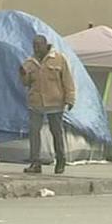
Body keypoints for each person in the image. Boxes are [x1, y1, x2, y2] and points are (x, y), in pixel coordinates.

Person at [19, 35, 76, 174]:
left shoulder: (58, 59)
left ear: (45, 45)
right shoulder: (29, 62)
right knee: (34, 132)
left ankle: (61, 160)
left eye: (38, 45)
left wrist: (70, 99)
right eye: (34, 45)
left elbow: (67, 80)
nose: (36, 48)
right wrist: (22, 74)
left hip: (55, 102)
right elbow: (26, 83)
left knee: (56, 132)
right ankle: (35, 163)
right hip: (36, 103)